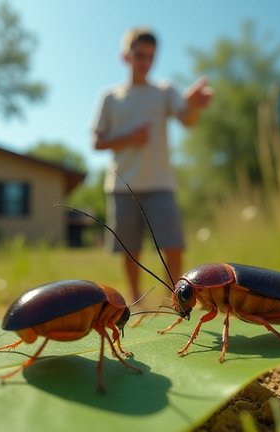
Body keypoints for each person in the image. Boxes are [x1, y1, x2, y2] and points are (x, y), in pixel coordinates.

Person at [91, 27, 212, 301]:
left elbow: (188, 120)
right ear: (126, 57)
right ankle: (136, 300)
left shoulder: (164, 91)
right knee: (130, 250)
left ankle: (176, 302)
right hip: (123, 186)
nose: (145, 62)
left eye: (150, 57)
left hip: (161, 183)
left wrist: (193, 104)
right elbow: (97, 142)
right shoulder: (110, 97)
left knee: (173, 245)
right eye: (140, 56)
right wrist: (129, 138)